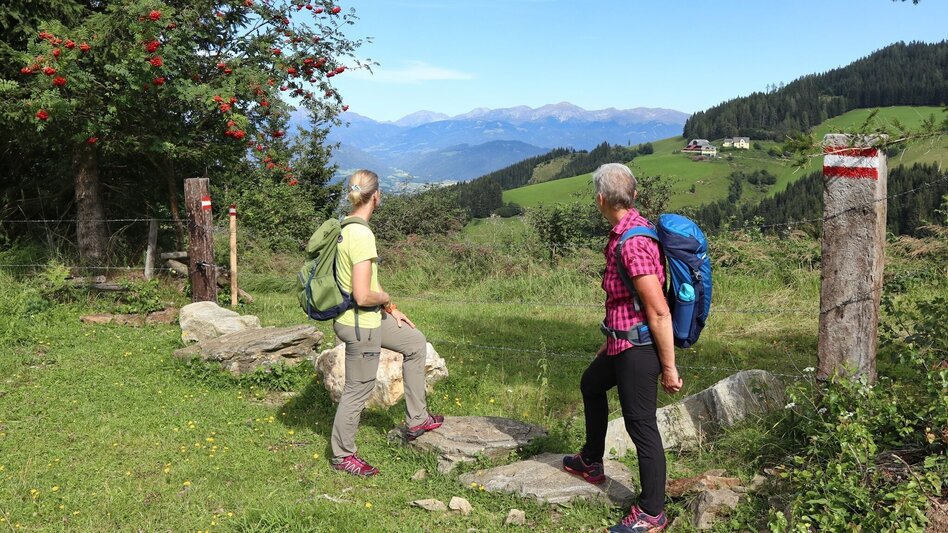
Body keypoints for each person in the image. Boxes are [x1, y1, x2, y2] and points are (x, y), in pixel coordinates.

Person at [562, 163, 683, 533]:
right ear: (633, 195)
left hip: (640, 348)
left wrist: (669, 366)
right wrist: (611, 340)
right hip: (622, 342)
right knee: (591, 384)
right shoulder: (630, 229)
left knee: (641, 426)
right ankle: (592, 461)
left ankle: (652, 512)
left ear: (601, 199)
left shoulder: (633, 243)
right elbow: (628, 303)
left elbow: (658, 311)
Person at [329, 169, 443, 477]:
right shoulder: (362, 234)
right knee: (359, 388)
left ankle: (417, 419)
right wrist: (385, 294)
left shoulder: (345, 226)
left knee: (415, 342)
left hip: (368, 317)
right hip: (359, 323)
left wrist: (391, 307)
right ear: (376, 196)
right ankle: (342, 455)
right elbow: (364, 294)